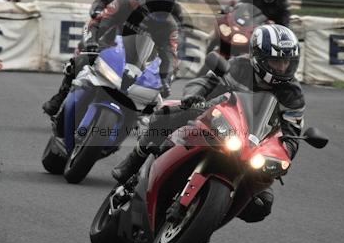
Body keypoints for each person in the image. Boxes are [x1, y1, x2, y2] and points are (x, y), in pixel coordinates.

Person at [112, 23, 305, 223]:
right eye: (276, 61)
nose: (282, 67)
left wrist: (284, 156)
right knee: (165, 114)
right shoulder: (238, 65)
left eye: (287, 62)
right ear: (259, 56)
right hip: (213, 117)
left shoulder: (293, 93)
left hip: (252, 145)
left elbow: (292, 132)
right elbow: (205, 82)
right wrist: (194, 97)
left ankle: (211, 213)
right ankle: (136, 158)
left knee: (261, 204)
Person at [42, 0, 179, 116]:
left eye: (165, 4)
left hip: (141, 62)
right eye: (156, 2)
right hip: (110, 48)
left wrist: (167, 78)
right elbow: (96, 23)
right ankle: (60, 96)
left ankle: (140, 125)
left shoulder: (170, 25)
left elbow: (171, 54)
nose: (160, 8)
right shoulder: (124, 3)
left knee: (156, 98)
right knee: (81, 60)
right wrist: (91, 42)